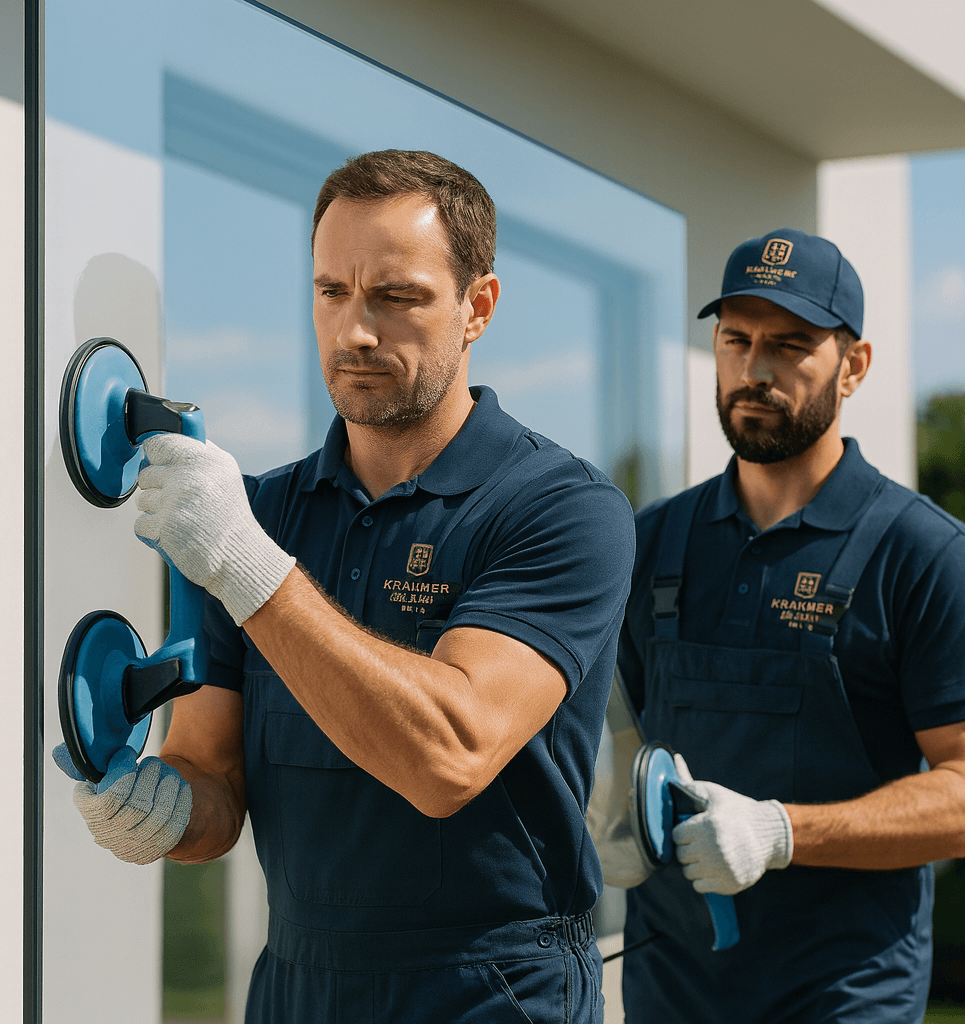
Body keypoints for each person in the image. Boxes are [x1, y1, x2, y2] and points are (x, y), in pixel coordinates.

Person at [58, 149, 634, 1023]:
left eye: (396, 297)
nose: (355, 330)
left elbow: (449, 754)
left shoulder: (563, 510)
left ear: (477, 307)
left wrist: (247, 567)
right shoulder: (260, 513)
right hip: (295, 983)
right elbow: (211, 775)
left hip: (490, 990)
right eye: (332, 292)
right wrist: (164, 811)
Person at [617, 227, 965, 1023]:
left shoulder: (923, 555)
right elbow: (605, 740)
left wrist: (780, 833)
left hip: (844, 992)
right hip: (671, 987)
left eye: (791, 344)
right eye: (735, 340)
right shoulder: (650, 541)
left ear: (856, 365)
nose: (756, 369)